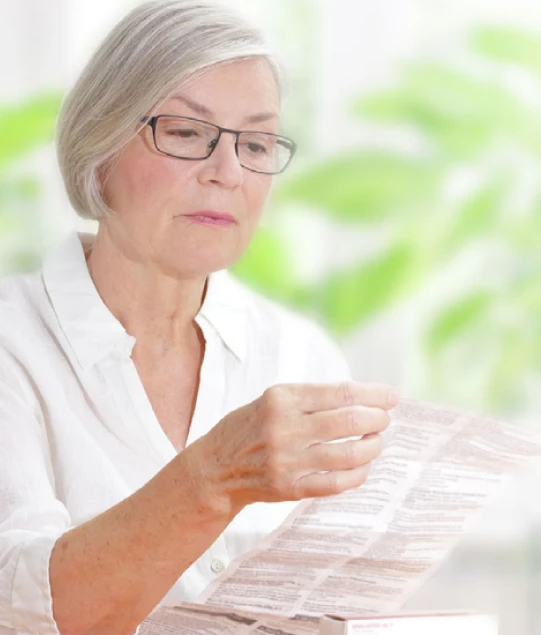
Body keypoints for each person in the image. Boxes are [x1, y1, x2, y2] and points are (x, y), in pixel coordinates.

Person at [0, 2, 398, 634]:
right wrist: (213, 477)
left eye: (257, 143)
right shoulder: (12, 346)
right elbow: (20, 610)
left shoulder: (301, 356)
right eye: (187, 133)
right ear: (98, 147)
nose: (228, 173)